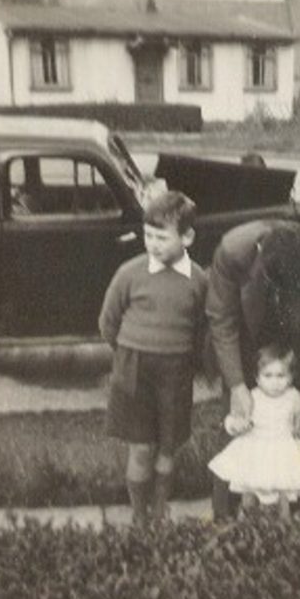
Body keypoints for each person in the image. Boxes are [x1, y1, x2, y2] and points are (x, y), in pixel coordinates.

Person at [206, 219, 300, 517]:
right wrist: (237, 386)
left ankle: (299, 517)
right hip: (245, 333)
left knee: (299, 431)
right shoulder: (233, 252)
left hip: (298, 336)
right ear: (259, 252)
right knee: (237, 424)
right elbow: (222, 321)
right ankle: (225, 516)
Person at [99, 191, 207, 527]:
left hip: (175, 370)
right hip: (134, 368)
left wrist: (188, 360)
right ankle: (139, 517)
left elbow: (201, 328)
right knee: (141, 447)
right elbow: (108, 322)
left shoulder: (198, 279)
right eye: (149, 236)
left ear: (187, 237)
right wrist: (129, 353)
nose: (153, 244)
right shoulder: (129, 273)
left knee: (167, 446)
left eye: (162, 237)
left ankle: (160, 509)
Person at [208, 344, 300, 519]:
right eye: (267, 376)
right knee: (248, 489)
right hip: (254, 450)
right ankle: (247, 525)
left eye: (280, 376)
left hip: (283, 450)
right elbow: (232, 419)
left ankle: (284, 526)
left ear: (291, 377)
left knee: (283, 491)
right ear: (257, 377)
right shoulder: (251, 397)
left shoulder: (294, 397)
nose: (274, 382)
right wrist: (236, 426)